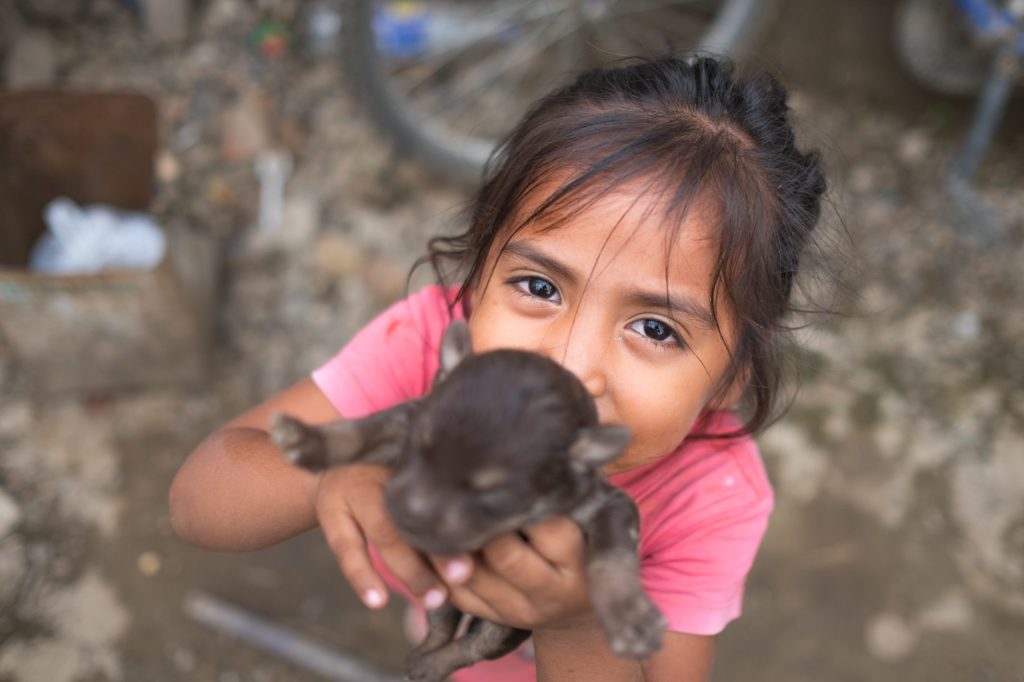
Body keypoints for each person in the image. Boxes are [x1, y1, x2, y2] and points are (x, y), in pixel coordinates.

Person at [169, 55, 828, 681]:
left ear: (732, 377)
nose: (569, 366)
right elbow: (198, 502)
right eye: (540, 287)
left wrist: (575, 619)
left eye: (655, 328)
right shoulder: (428, 345)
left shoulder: (707, 500)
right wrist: (324, 479)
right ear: (477, 278)